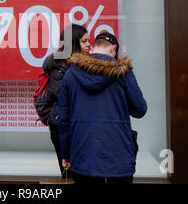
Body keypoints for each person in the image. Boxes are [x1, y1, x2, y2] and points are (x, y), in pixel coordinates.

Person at [58, 32, 147, 185]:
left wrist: (65, 153)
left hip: (83, 152)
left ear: (92, 48)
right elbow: (140, 109)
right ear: (113, 49)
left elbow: (63, 119)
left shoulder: (71, 73)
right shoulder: (123, 73)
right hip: (118, 153)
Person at [42, 24, 91, 179]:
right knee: (72, 174)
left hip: (76, 124)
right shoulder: (61, 66)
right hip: (65, 126)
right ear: (74, 44)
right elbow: (57, 96)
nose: (89, 44)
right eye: (84, 41)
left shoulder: (81, 64)